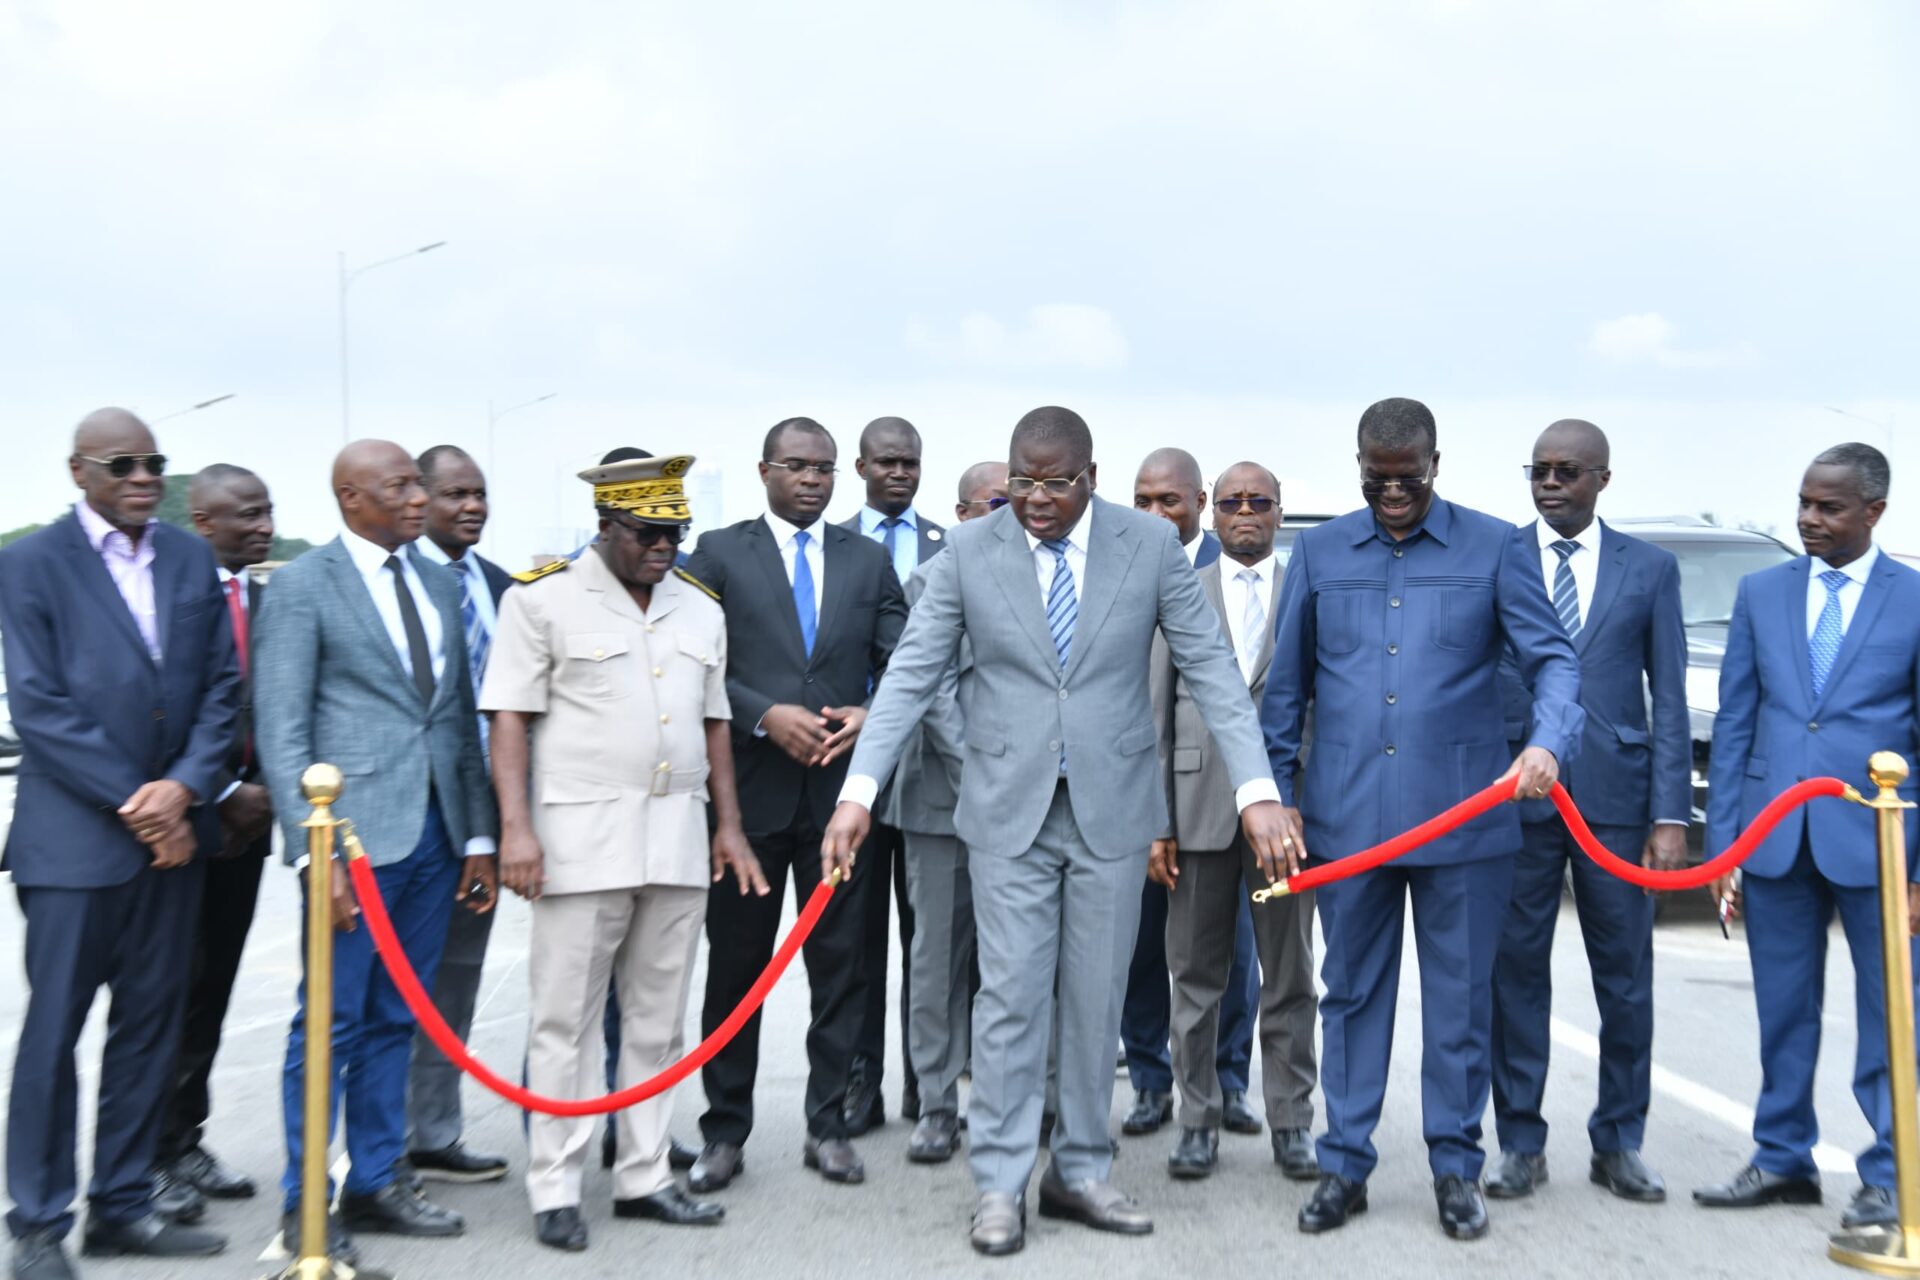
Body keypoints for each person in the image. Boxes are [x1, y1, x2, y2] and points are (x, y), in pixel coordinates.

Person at [820, 406, 1296, 1257]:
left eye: (1055, 484)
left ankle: (1078, 1169)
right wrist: (860, 790)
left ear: (1092, 479)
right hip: (1008, 810)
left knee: (1095, 998)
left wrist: (1255, 788)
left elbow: (1212, 669)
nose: (1036, 499)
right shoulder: (969, 552)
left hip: (1113, 809)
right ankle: (1000, 1183)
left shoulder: (1147, 548)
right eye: (1023, 482)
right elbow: (911, 674)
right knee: (1008, 997)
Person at [1261, 397, 1582, 1242]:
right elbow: (1286, 691)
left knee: (1461, 1005)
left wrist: (1547, 742)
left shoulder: (1496, 547)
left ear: (1437, 464)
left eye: (1408, 477)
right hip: (1347, 824)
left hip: (1465, 827)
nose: (1393, 492)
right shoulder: (1321, 552)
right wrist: (1279, 796)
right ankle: (1345, 1165)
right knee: (1350, 996)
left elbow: (1553, 660)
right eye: (1377, 479)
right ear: (1359, 467)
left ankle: (1456, 1168)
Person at [483, 449, 765, 1252]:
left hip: (676, 839)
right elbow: (509, 717)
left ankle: (643, 1176)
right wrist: (516, 829)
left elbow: (715, 723)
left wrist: (729, 826)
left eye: (676, 532)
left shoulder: (699, 608)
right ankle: (556, 1186)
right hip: (578, 842)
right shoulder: (542, 599)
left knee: (656, 1020)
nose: (664, 547)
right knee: (564, 1022)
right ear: (606, 526)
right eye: (647, 532)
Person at [0, 410, 240, 1280]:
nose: (143, 478)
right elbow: (38, 705)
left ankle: (124, 1206)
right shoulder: (29, 564)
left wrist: (184, 789)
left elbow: (221, 688)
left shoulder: (187, 559)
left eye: (154, 464)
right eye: (122, 464)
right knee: (53, 1033)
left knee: (150, 1028)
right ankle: (37, 1224)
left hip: (172, 845)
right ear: (79, 471)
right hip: (73, 847)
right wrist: (143, 803)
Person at [252, 439, 498, 1267]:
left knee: (400, 1014)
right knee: (330, 1021)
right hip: (351, 843)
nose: (418, 498)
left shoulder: (437, 582)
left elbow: (456, 719)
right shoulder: (302, 586)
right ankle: (306, 1204)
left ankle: (379, 1178)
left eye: (418, 485)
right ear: (351, 497)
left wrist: (476, 836)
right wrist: (309, 851)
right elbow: (282, 729)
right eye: (400, 486)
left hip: (433, 836)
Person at [1693, 442, 1920, 1233]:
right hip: (1775, 839)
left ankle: (1891, 1175)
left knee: (1893, 1016)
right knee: (1783, 1010)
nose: (1809, 519)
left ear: (1874, 512)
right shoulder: (1762, 593)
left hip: (1882, 848)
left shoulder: (1914, 599)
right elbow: (1736, 722)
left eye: (1829, 507)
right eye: (1803, 503)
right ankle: (1783, 1158)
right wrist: (1726, 847)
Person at [684, 418, 909, 1191]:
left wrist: (871, 714)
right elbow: (695, 660)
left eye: (823, 468)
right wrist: (762, 713)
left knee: (842, 969)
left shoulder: (868, 559)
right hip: (746, 805)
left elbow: (905, 657)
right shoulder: (719, 552)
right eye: (796, 466)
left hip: (839, 804)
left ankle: (829, 1127)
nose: (812, 480)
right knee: (736, 973)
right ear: (764, 471)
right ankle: (724, 1133)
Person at [1486, 420, 1688, 1205]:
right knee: (1515, 975)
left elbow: (1670, 697)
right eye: (1538, 469)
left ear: (1603, 478)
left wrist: (1670, 814)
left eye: (1567, 471)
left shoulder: (1651, 569)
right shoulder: (1499, 555)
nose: (1549, 483)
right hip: (1519, 794)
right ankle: (1519, 1143)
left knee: (1625, 979)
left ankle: (1619, 1142)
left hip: (1615, 801)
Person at [1149, 462, 1319, 1182]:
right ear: (1211, 513)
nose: (1245, 512)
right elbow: (1156, 711)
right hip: (1197, 812)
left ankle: (1292, 1122)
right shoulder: (1181, 589)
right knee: (1195, 976)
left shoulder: (1307, 590)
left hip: (1288, 816)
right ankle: (1197, 1120)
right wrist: (1158, 821)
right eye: (1231, 502)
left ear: (1280, 512)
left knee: (1290, 976)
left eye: (1259, 502)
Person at [150, 465, 280, 1219]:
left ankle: (184, 1139)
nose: (264, 526)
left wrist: (260, 799)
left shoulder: (269, 599)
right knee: (165, 994)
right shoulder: (170, 596)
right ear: (203, 521)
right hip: (180, 825)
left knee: (213, 991)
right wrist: (223, 792)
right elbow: (166, 711)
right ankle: (147, 1155)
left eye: (269, 513)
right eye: (248, 514)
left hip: (249, 830)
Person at [1123, 446, 1262, 1140]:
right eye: (1143, 501)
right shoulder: (1118, 569)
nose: (1155, 514)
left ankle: (1227, 1081)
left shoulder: (1228, 569)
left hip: (1216, 798)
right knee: (1143, 949)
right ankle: (1151, 1082)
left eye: (1169, 501)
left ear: (1200, 504)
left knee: (1231, 953)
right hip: (1133, 789)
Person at [402, 443, 514, 1186]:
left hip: (486, 814)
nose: (472, 506)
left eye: (479, 494)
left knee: (456, 978)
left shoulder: (505, 587)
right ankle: (375, 1149)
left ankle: (434, 1134)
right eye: (455, 494)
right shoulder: (394, 583)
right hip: (408, 815)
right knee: (391, 985)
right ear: (419, 499)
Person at [888, 460, 1006, 1163]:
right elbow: (928, 689)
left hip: (1022, 803)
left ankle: (1021, 1096)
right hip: (943, 799)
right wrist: (982, 774)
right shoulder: (929, 579)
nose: (1009, 512)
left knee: (1018, 958)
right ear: (960, 514)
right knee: (937, 959)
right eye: (995, 502)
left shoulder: (1046, 577)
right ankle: (936, 1104)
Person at [839, 415, 946, 1134]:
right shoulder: (838, 546)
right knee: (857, 941)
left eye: (910, 462)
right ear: (862, 467)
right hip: (855, 775)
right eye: (887, 462)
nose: (899, 473)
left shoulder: (951, 546)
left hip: (933, 773)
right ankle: (860, 1083)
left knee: (928, 942)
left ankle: (925, 1083)